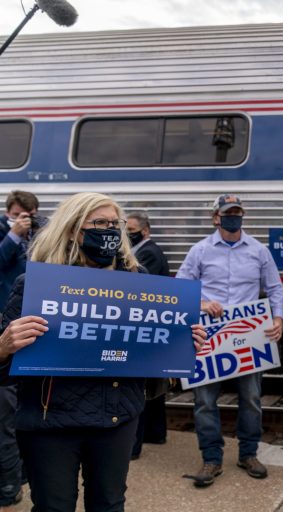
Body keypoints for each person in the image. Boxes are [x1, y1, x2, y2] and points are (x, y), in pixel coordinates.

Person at [0, 192, 206, 511]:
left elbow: (150, 354)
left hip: (116, 417)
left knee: (110, 504)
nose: (109, 230)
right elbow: (3, 372)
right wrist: (3, 346)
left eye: (115, 223)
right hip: (49, 423)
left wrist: (181, 344)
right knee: (54, 507)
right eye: (99, 223)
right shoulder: (35, 286)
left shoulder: (139, 285)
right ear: (72, 229)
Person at [176, 194, 283, 488]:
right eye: (228, 213)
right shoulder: (199, 251)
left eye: (237, 212)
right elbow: (180, 290)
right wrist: (201, 304)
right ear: (216, 218)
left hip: (248, 335)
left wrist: (278, 319)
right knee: (204, 401)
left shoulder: (259, 251)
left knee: (251, 399)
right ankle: (211, 458)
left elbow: (276, 290)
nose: (233, 217)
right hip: (209, 338)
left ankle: (248, 454)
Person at [0, 190, 39, 511]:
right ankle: (10, 484)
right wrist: (13, 235)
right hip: (5, 328)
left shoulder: (38, 235)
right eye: (16, 213)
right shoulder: (5, 233)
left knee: (22, 411)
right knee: (6, 413)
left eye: (27, 214)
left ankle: (21, 475)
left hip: (32, 328)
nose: (22, 218)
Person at [126, 211, 171, 460]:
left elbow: (140, 290)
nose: (126, 234)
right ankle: (156, 432)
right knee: (152, 387)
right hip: (150, 326)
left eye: (130, 229)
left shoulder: (148, 253)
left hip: (148, 326)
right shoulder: (146, 250)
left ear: (144, 231)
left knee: (142, 387)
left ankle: (135, 445)